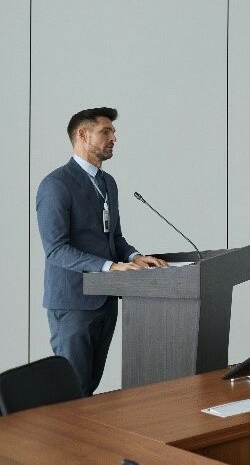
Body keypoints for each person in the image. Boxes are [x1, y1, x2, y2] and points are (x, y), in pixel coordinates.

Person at [36, 108, 167, 395]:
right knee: (72, 393)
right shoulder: (56, 185)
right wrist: (110, 267)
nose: (114, 138)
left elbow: (114, 238)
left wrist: (133, 257)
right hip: (73, 304)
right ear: (82, 135)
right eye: (106, 132)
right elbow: (56, 250)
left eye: (113, 132)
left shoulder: (108, 184)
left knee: (89, 389)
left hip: (105, 302)